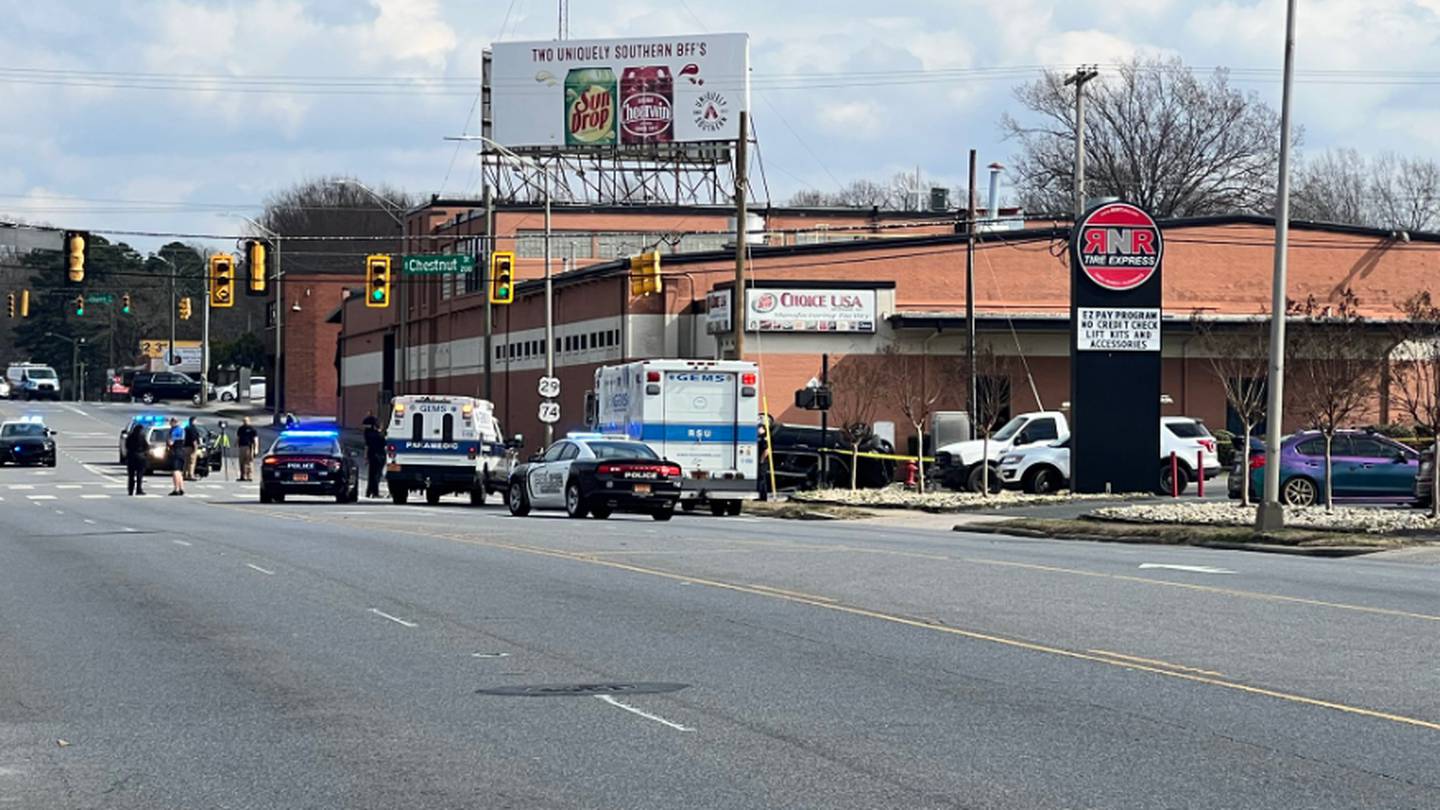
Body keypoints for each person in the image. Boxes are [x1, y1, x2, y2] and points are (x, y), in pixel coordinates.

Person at [363, 412, 386, 499]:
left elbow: (367, 446)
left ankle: (369, 492)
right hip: (379, 456)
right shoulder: (377, 435)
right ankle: (375, 492)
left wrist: (366, 457)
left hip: (372, 455)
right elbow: (384, 444)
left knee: (371, 474)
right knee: (376, 475)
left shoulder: (367, 434)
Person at [125, 422, 149, 496]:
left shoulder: (130, 436)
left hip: (131, 457)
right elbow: (146, 446)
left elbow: (127, 445)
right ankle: (139, 489)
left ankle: (130, 490)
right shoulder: (142, 437)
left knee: (131, 475)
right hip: (140, 457)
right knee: (139, 474)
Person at [168, 418, 187, 496]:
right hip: (182, 451)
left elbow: (171, 442)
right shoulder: (182, 430)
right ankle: (181, 488)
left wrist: (169, 442)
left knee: (175, 471)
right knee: (179, 471)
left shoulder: (174, 430)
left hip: (175, 451)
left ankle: (176, 489)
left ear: (173, 422)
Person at [237, 417, 258, 482]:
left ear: (249, 421)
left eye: (246, 421)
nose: (245, 422)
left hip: (249, 447)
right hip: (242, 447)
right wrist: (236, 444)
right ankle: (242, 476)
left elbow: (255, 440)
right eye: (244, 421)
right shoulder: (240, 429)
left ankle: (249, 476)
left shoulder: (252, 429)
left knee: (248, 462)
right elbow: (238, 437)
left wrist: (256, 448)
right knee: (241, 462)